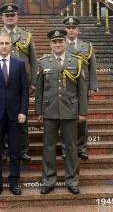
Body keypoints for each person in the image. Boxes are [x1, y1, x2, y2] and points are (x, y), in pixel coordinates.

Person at [35, 28, 87, 195]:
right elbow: (39, 90)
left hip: (70, 111)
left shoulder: (76, 62)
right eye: (54, 42)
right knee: (48, 148)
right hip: (49, 111)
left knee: (71, 148)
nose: (57, 44)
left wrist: (82, 112)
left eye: (60, 41)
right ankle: (48, 180)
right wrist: (38, 111)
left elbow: (81, 90)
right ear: (50, 44)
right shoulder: (43, 62)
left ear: (65, 43)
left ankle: (72, 180)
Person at [0, 2, 37, 162]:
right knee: (0, 118)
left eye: (12, 15)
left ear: (17, 17)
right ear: (2, 17)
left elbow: (33, 61)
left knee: (22, 117)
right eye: (7, 15)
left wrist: (33, 82)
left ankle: (22, 149)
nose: (9, 18)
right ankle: (2, 150)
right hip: (0, 83)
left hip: (21, 82)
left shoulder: (27, 35)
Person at [0, 32, 29, 196]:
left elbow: (24, 91)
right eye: (1, 43)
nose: (3, 46)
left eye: (7, 43)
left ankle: (14, 181)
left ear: (11, 45)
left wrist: (23, 111)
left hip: (15, 115)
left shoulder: (19, 64)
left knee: (15, 151)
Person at [62, 16, 97, 160]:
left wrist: (93, 86)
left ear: (78, 30)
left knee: (82, 118)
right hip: (67, 86)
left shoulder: (86, 46)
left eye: (73, 28)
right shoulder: (60, 44)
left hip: (83, 87)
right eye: (68, 28)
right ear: (65, 30)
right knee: (66, 118)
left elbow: (92, 67)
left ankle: (81, 148)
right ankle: (66, 149)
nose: (71, 30)